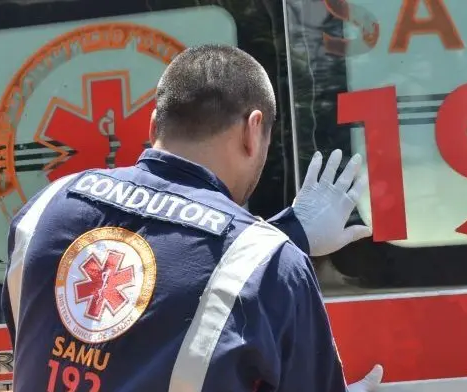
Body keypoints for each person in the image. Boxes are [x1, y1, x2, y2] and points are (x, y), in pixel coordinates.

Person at [2, 44, 382, 392]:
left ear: (153, 126)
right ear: (253, 130)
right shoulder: (274, 267)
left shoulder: (44, 208)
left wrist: (289, 235)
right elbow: (191, 272)